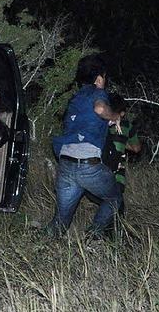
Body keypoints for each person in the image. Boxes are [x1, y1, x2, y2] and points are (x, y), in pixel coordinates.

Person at [48, 54, 122, 237]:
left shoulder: (76, 98)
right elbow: (99, 109)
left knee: (60, 222)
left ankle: (35, 245)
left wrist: (105, 123)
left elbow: (85, 121)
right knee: (114, 198)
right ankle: (92, 235)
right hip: (88, 166)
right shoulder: (98, 92)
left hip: (65, 163)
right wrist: (115, 117)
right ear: (99, 78)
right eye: (104, 77)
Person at [101, 92, 141, 213]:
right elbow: (137, 148)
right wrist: (123, 143)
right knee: (117, 206)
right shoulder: (127, 126)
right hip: (116, 174)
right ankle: (111, 229)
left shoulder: (98, 122)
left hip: (94, 170)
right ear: (122, 113)